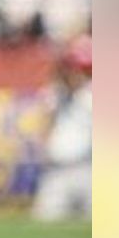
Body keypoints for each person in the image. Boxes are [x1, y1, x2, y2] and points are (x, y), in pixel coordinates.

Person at [33, 34, 92, 221]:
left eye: (76, 70)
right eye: (69, 69)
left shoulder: (90, 96)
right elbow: (44, 124)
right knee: (45, 226)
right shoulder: (55, 94)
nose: (71, 74)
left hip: (89, 170)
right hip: (56, 171)